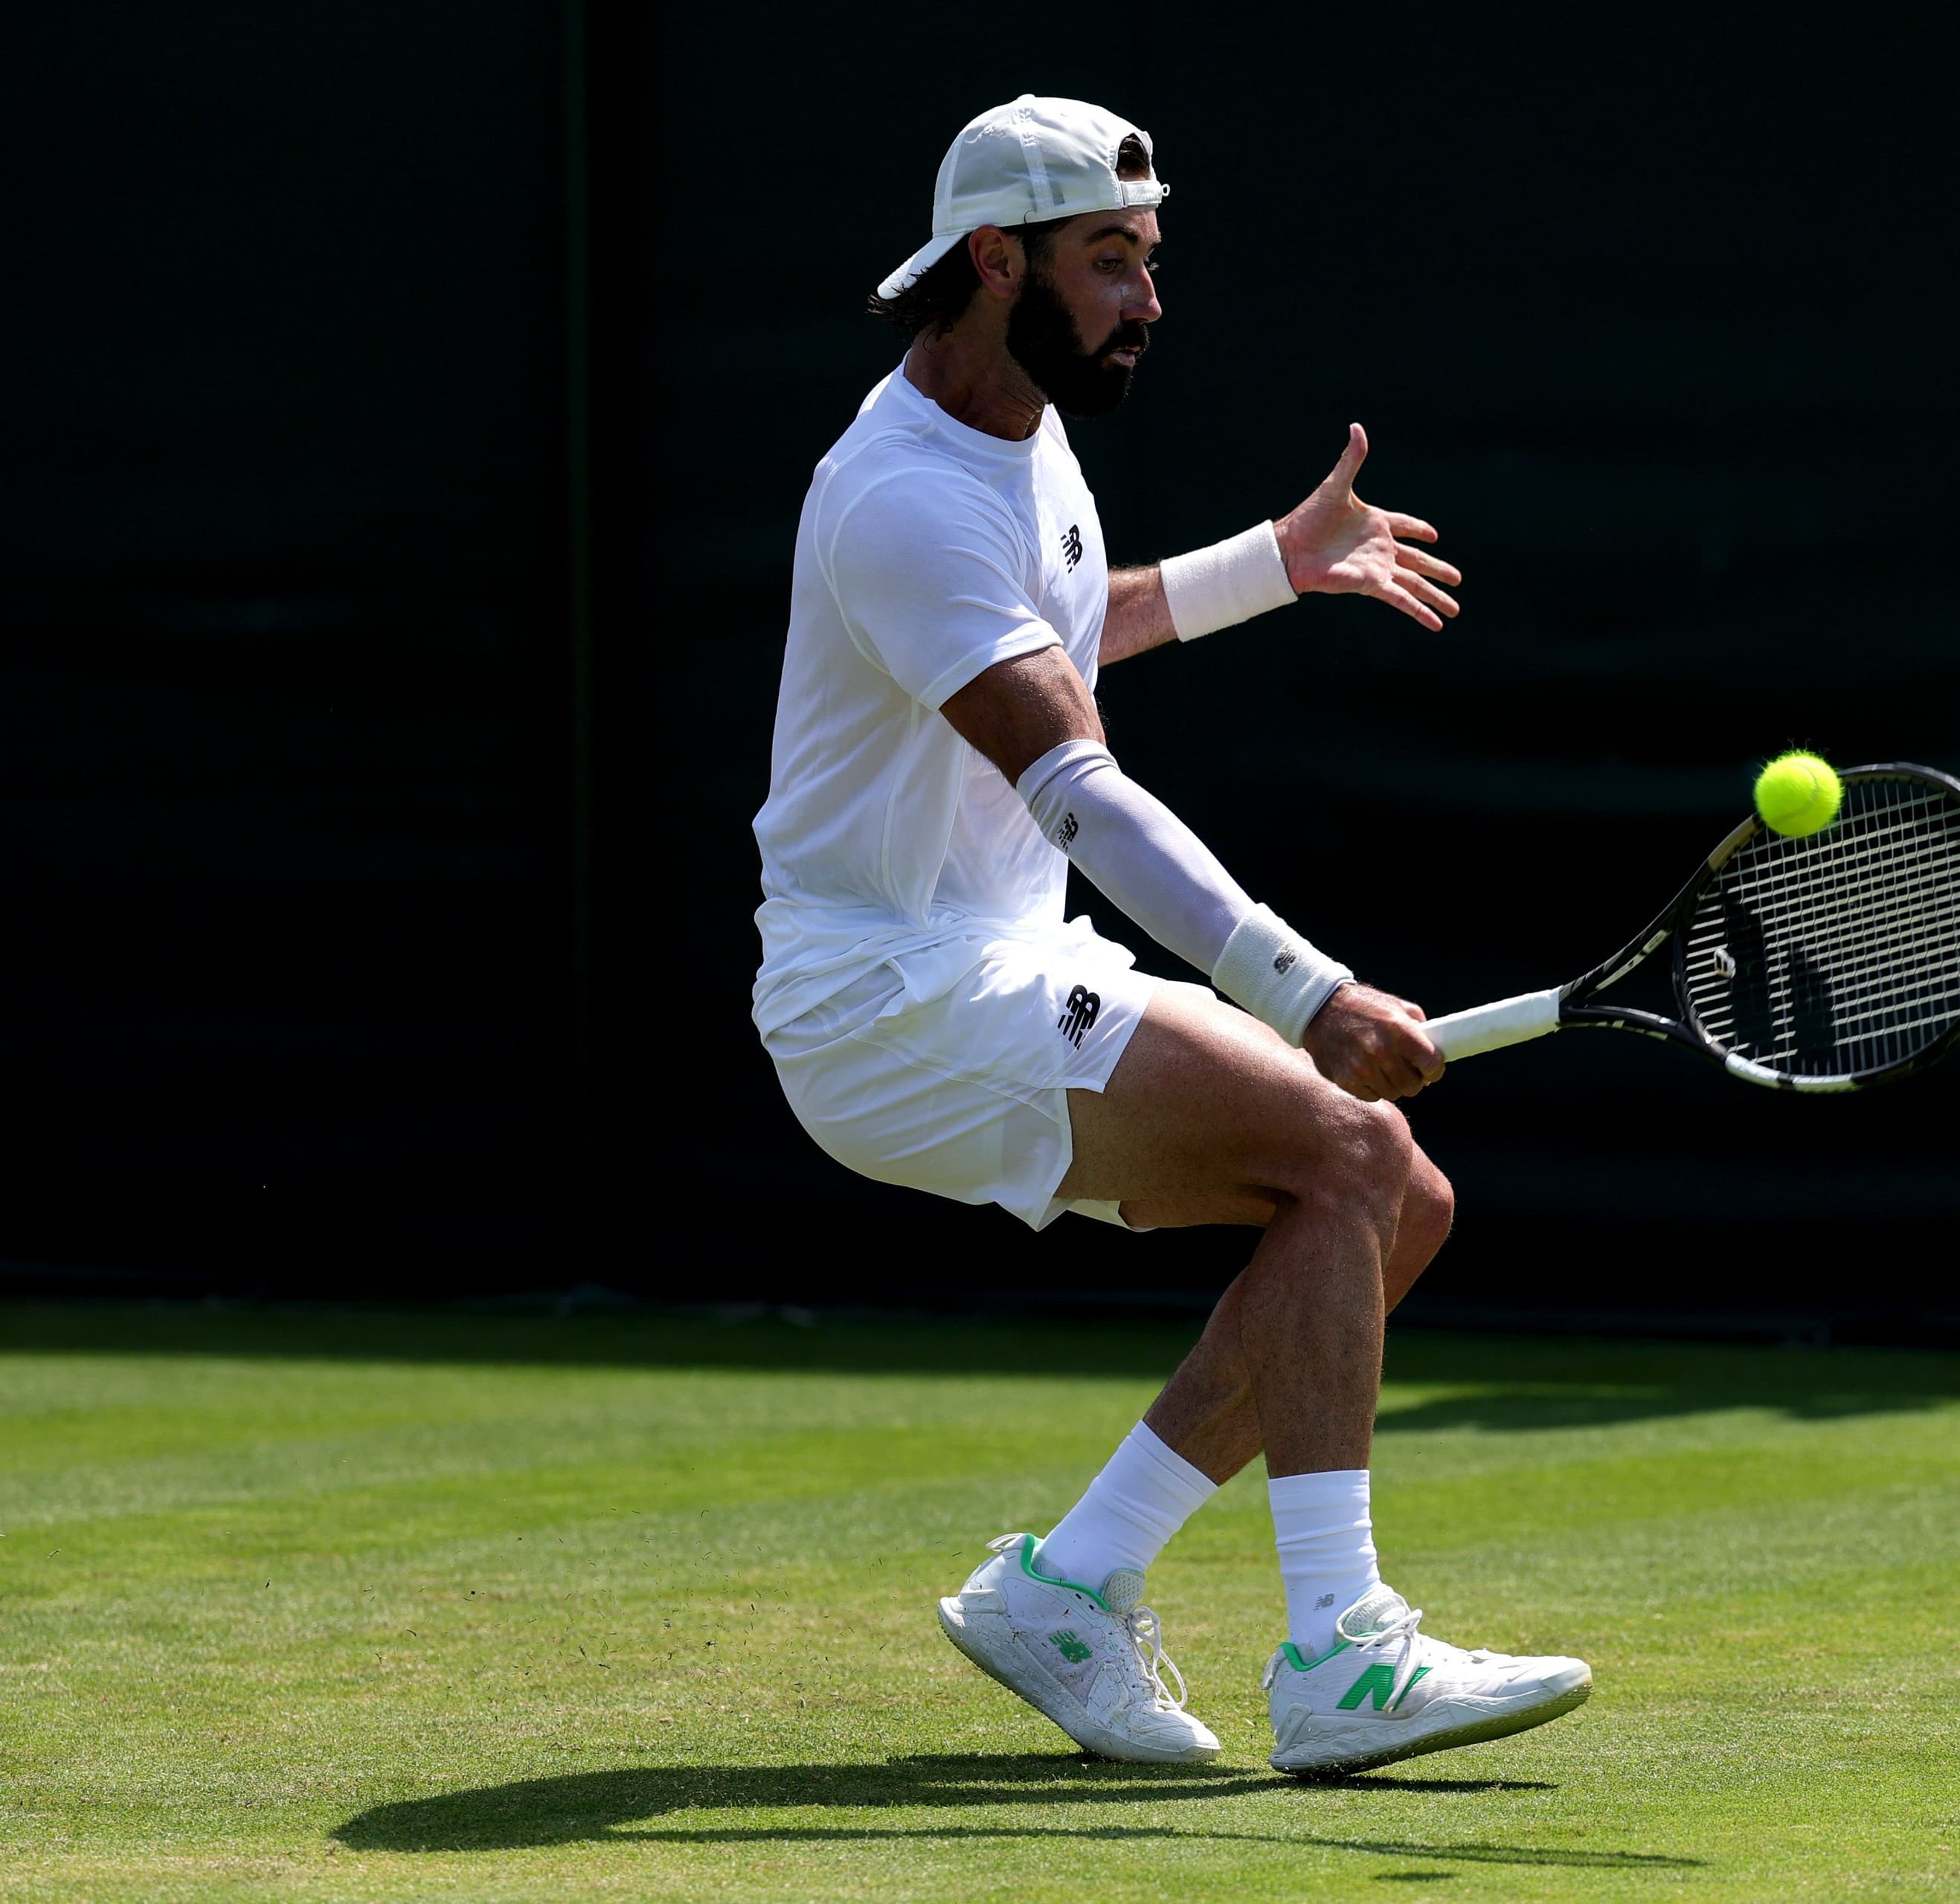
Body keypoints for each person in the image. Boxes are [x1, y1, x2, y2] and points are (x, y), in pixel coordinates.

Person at [751, 95, 1589, 1778]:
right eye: (1110, 262)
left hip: (983, 959)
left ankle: (1070, 1585)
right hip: (887, 1001)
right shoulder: (900, 496)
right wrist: (1306, 987)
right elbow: (1075, 781)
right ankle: (1344, 1656)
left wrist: (1273, 564)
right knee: (1352, 1152)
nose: (1148, 297)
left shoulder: (1013, 427)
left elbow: (1063, 628)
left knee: (1387, 1199)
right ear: (999, 262)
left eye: (1149, 259)